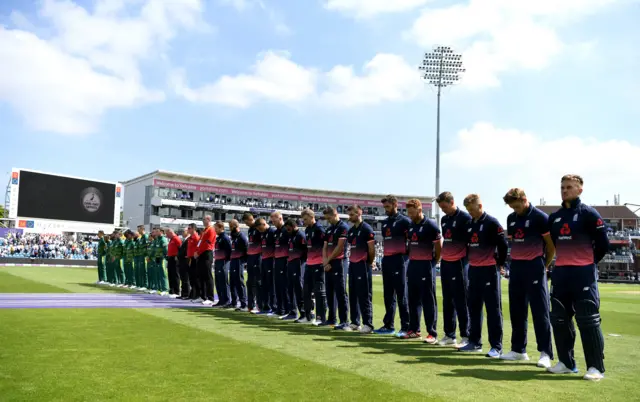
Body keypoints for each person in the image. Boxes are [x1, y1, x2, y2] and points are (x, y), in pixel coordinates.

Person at [546, 174, 609, 381]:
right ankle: (566, 362)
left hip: (583, 273)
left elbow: (603, 245)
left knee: (588, 319)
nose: (565, 190)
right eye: (563, 187)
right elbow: (555, 242)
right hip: (561, 273)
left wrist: (586, 262)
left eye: (569, 187)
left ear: (580, 189)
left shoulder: (589, 214)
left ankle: (595, 368)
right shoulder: (554, 217)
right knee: (559, 319)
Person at [501, 188, 555, 368]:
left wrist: (543, 265)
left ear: (525, 200)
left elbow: (551, 246)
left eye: (516, 206)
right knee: (517, 311)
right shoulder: (511, 218)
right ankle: (518, 351)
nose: (515, 210)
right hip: (516, 267)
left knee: (540, 311)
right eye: (511, 207)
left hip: (535, 266)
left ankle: (545, 353)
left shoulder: (540, 218)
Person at [459, 194, 508, 358]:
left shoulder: (492, 223)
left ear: (480, 206)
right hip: (474, 270)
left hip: (489, 271)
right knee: (473, 308)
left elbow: (503, 245)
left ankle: (496, 346)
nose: (470, 212)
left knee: (493, 309)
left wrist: (499, 264)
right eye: (468, 210)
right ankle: (474, 342)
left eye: (472, 209)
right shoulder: (469, 224)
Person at [401, 199, 441, 343]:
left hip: (426, 266)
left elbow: (438, 248)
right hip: (413, 265)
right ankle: (414, 330)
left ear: (419, 210)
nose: (410, 215)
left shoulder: (430, 225)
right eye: (408, 213)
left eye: (412, 212)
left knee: (428, 300)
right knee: (413, 299)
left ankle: (432, 333)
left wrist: (432, 262)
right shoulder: (411, 225)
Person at [436, 192, 472, 347]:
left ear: (452, 202)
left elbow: (471, 242)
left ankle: (466, 335)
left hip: (460, 263)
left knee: (461, 300)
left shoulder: (465, 218)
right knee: (447, 300)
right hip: (446, 263)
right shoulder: (444, 219)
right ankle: (450, 335)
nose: (443, 210)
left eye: (444, 206)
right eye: (441, 207)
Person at [377, 195, 411, 336]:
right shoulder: (384, 223)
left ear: (395, 204)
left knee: (402, 294)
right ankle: (388, 325)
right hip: (387, 260)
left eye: (388, 207)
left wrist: (405, 256)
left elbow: (411, 241)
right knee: (388, 295)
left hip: (400, 261)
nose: (386, 209)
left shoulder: (405, 221)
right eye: (384, 207)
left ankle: (405, 326)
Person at [346, 205, 375, 334]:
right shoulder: (351, 231)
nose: (350, 217)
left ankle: (368, 324)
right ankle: (354, 322)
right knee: (353, 294)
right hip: (352, 264)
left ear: (359, 213)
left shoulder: (366, 229)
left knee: (364, 295)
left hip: (363, 265)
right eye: (349, 215)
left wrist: (368, 262)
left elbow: (372, 249)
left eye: (352, 214)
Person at [322, 206, 350, 330]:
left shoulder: (343, 227)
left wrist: (328, 260)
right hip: (328, 263)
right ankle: (331, 319)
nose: (328, 220)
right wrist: (325, 262)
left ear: (335, 214)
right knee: (329, 291)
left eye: (329, 218)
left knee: (340, 292)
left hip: (339, 262)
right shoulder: (329, 229)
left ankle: (344, 321)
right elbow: (324, 247)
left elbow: (339, 248)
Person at [302, 208, 326, 325]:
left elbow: (325, 246)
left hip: (318, 263)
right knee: (306, 291)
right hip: (309, 263)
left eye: (306, 219)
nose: (304, 221)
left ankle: (320, 317)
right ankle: (308, 315)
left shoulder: (319, 229)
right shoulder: (307, 230)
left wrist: (324, 261)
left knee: (319, 292)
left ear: (312, 217)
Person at [284, 218, 306, 321]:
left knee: (298, 288)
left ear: (293, 227)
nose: (287, 231)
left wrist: (300, 262)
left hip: (298, 264)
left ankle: (304, 313)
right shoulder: (290, 236)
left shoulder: (300, 236)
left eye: (288, 229)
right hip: (291, 263)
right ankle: (292, 312)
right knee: (290, 288)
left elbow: (306, 251)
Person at [243, 212, 264, 313]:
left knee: (258, 282)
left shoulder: (258, 228)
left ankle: (259, 305)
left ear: (250, 219)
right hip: (251, 258)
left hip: (258, 257)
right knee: (249, 282)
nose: (246, 224)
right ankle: (250, 305)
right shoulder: (250, 229)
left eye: (246, 222)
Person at [256, 217, 277, 316]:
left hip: (271, 261)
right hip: (264, 260)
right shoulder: (263, 234)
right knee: (264, 284)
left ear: (264, 224)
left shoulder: (272, 232)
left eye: (260, 229)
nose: (260, 231)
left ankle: (274, 307)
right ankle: (266, 306)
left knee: (271, 285)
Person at [271, 212, 291, 318]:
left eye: (275, 220)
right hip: (277, 260)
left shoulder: (286, 231)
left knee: (284, 286)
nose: (273, 223)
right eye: (272, 221)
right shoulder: (276, 232)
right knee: (277, 285)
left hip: (284, 260)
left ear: (280, 218)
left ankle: (287, 310)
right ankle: (279, 309)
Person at [195, 215, 216, 306]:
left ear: (208, 219)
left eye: (204, 219)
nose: (203, 221)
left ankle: (210, 298)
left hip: (207, 253)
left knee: (208, 276)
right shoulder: (204, 230)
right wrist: (197, 251)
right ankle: (202, 296)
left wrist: (198, 252)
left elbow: (207, 244)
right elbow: (200, 242)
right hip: (201, 254)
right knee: (201, 276)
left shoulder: (211, 230)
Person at [229, 219, 248, 311]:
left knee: (239, 282)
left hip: (239, 261)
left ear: (235, 226)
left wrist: (243, 261)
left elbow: (246, 249)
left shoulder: (242, 237)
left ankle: (243, 303)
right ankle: (233, 302)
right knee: (232, 282)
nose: (229, 228)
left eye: (231, 226)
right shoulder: (234, 236)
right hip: (233, 260)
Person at [213, 221, 232, 307]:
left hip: (223, 262)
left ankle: (226, 300)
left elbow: (229, 250)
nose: (215, 230)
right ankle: (221, 300)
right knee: (218, 281)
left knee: (223, 281)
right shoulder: (218, 238)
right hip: (218, 261)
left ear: (221, 228)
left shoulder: (225, 238)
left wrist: (225, 260)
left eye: (216, 228)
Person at [166, 228, 183, 298]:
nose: (166, 235)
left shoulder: (176, 239)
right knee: (170, 274)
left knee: (175, 274)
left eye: (167, 234)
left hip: (175, 259)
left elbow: (180, 248)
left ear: (170, 232)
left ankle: (176, 291)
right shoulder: (171, 239)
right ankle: (171, 290)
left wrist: (177, 256)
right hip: (170, 258)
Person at [186, 224, 201, 302]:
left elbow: (198, 248)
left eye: (189, 228)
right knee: (191, 277)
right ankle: (193, 293)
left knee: (195, 277)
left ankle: (197, 294)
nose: (188, 230)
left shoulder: (196, 237)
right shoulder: (190, 238)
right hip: (190, 258)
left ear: (194, 229)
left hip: (194, 259)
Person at [153, 228, 169, 296]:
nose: (155, 233)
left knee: (162, 274)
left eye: (157, 231)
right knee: (158, 274)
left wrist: (165, 258)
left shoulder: (163, 239)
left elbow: (166, 250)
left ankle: (165, 289)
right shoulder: (157, 240)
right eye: (155, 232)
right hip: (157, 258)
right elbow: (154, 250)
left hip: (162, 259)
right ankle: (159, 288)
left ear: (161, 232)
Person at [178, 228, 191, 299]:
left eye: (184, 231)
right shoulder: (185, 239)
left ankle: (186, 293)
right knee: (183, 278)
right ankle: (183, 293)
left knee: (186, 278)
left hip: (185, 260)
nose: (182, 233)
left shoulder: (188, 239)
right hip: (182, 261)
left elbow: (186, 250)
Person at [135, 225, 149, 291]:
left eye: (139, 229)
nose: (138, 231)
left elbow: (147, 247)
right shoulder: (141, 238)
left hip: (144, 256)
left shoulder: (145, 237)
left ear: (142, 229)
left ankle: (145, 285)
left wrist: (146, 256)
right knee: (141, 270)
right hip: (140, 256)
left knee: (144, 271)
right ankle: (141, 284)